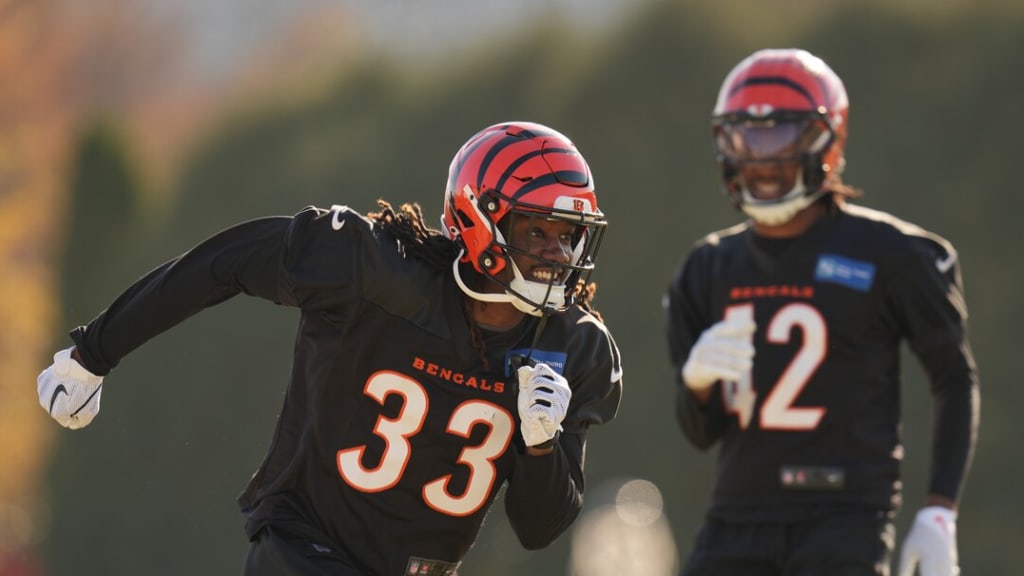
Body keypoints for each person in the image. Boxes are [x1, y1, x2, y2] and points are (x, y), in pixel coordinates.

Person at [37, 120, 623, 576]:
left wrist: (541, 446)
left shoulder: (574, 347)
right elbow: (226, 263)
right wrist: (95, 351)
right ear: (478, 219)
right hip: (303, 548)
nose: (555, 255)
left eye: (567, 237)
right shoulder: (374, 272)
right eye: (535, 231)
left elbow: (538, 526)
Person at [664, 48, 979, 576]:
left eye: (778, 137)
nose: (760, 159)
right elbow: (702, 434)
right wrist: (696, 387)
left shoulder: (892, 255)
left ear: (826, 140)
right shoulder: (707, 268)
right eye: (746, 138)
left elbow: (953, 378)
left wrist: (940, 511)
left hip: (845, 518)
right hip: (735, 520)